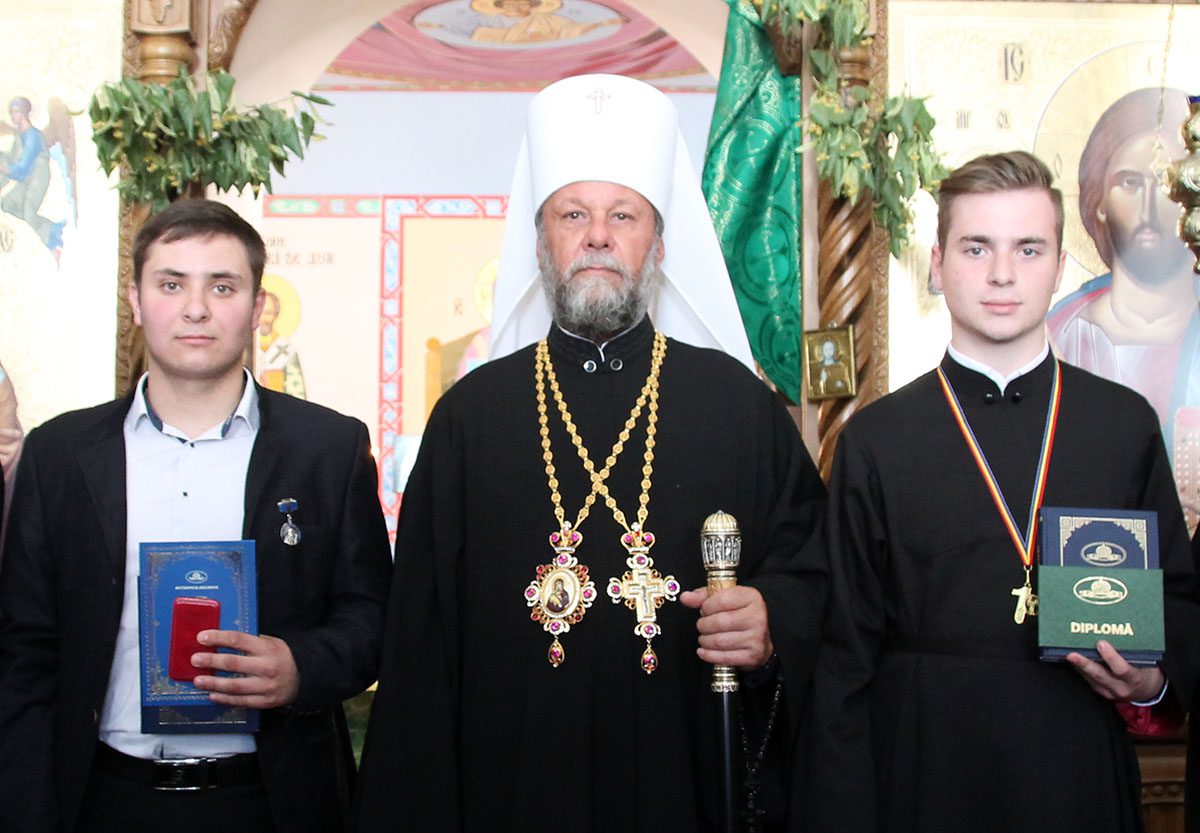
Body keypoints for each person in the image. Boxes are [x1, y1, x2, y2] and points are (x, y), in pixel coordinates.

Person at [355, 73, 827, 832]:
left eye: (623, 215)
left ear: (659, 245)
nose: (598, 235)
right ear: (541, 241)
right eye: (573, 213)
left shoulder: (739, 407)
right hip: (511, 790)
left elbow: (818, 572)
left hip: (685, 786)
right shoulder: (468, 421)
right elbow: (419, 653)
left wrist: (772, 622)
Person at [802, 151, 1200, 833]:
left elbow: (1180, 603)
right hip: (925, 772)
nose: (1002, 274)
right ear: (937, 263)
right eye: (976, 247)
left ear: (1060, 265)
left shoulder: (1123, 425)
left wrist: (1150, 680)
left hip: (1075, 774)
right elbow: (841, 662)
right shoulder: (877, 440)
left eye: (1028, 248)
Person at [0, 199, 393, 833]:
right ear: (135, 301)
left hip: (269, 800)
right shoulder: (60, 455)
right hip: (104, 799)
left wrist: (301, 666)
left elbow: (372, 617)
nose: (196, 308)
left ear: (257, 306)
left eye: (222, 286)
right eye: (171, 284)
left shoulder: (328, 449)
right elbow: (23, 652)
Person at [1047, 88, 1200, 527]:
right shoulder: (1058, 334)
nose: (1149, 208)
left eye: (1167, 182)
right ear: (1097, 202)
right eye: (1130, 183)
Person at [0, 97, 66, 259]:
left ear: (24, 112)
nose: (13, 116)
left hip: (37, 177)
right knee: (7, 204)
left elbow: (23, 167)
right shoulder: (19, 136)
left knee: (29, 212)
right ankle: (42, 233)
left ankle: (55, 240)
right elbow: (12, 159)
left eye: (16, 111)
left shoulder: (33, 136)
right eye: (11, 112)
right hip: (25, 179)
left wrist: (4, 169)